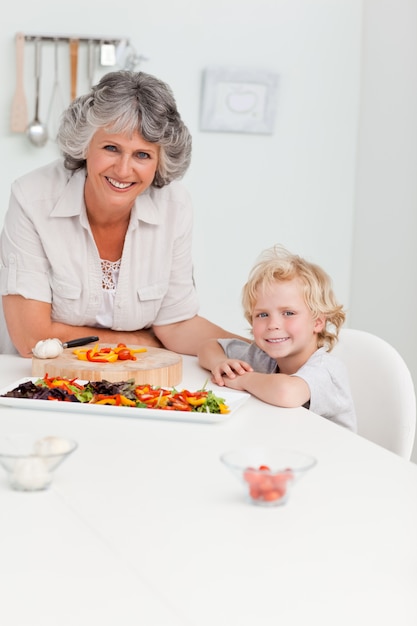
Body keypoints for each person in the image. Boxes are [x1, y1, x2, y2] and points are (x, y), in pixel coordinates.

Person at [0, 70, 243, 357]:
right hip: (41, 380)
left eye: (142, 155)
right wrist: (144, 341)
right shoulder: (32, 197)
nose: (124, 170)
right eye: (112, 148)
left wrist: (265, 357)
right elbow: (34, 338)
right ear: (85, 146)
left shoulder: (174, 205)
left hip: (134, 382)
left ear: (159, 162)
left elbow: (176, 326)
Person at [198, 245, 357, 431]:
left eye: (288, 313)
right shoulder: (263, 357)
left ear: (317, 322)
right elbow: (209, 347)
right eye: (262, 315)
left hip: (332, 455)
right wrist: (220, 363)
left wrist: (242, 379)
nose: (273, 324)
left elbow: (286, 392)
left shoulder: (327, 370)